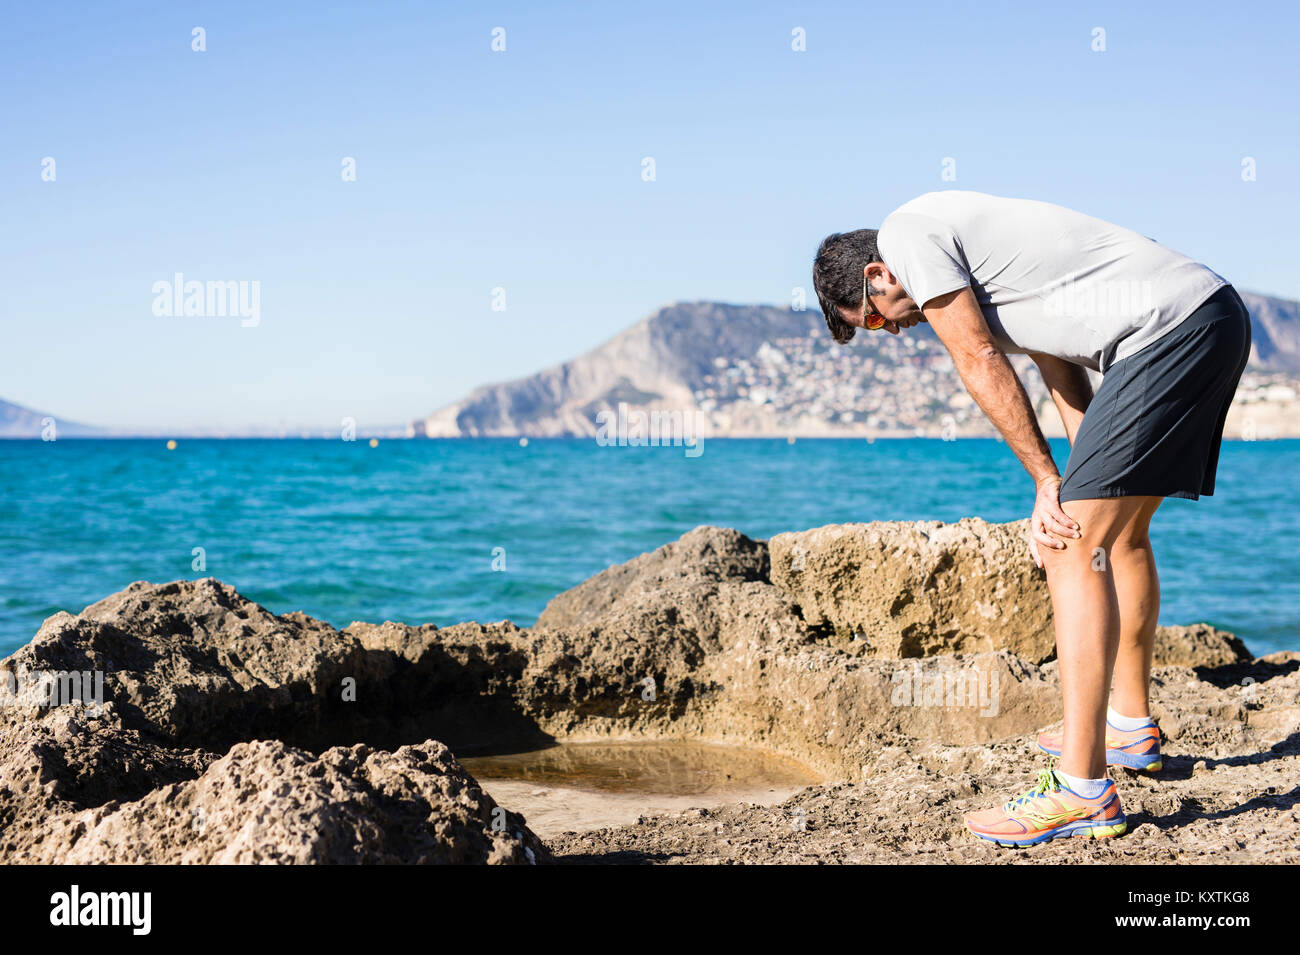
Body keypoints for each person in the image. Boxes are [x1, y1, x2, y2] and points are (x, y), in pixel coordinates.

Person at [812, 190, 1251, 846]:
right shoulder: (992, 268)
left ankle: (1082, 789)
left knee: (1068, 546)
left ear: (878, 276)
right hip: (1208, 317)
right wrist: (1075, 480)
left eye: (876, 321)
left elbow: (977, 359)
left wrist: (1050, 486)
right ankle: (1129, 728)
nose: (895, 333)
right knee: (1112, 535)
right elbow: (1059, 361)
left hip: (1169, 333)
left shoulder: (907, 235)